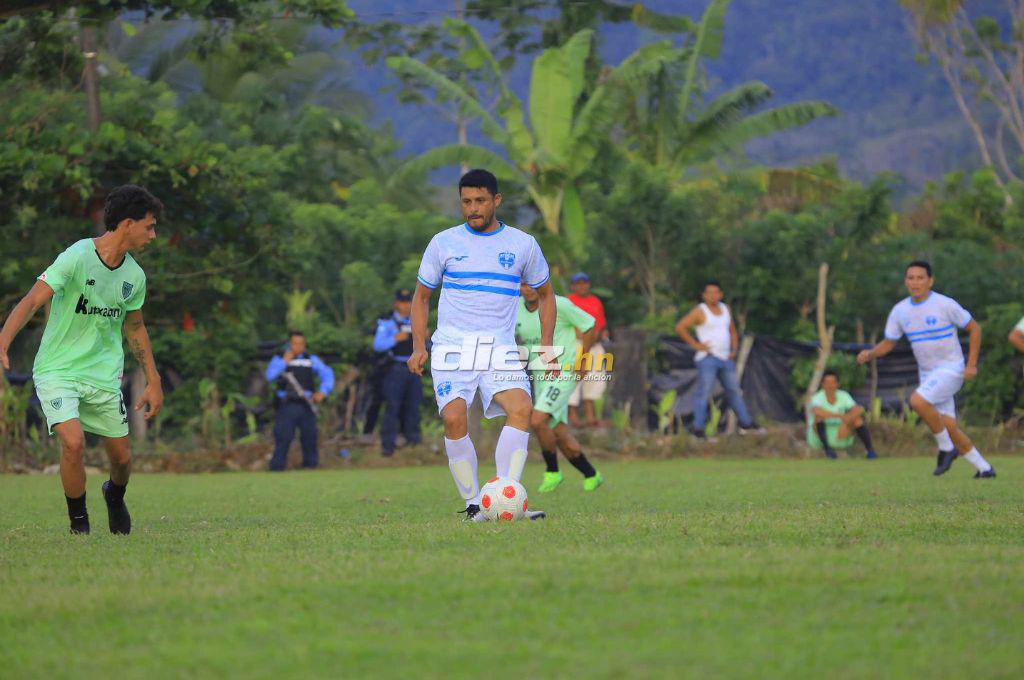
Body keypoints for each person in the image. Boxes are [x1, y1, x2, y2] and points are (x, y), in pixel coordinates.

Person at [0, 185, 164, 535]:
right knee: (73, 443)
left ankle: (114, 496)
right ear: (128, 223)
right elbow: (31, 301)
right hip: (57, 369)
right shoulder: (76, 256)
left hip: (103, 376)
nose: (153, 234)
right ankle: (80, 525)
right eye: (149, 226)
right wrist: (3, 340)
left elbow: (135, 329)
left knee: (121, 460)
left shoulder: (134, 277)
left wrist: (153, 379)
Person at [409, 168, 556, 522]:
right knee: (454, 418)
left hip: (498, 348)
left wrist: (547, 346)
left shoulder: (522, 244)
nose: (473, 208)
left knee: (521, 409)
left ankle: (506, 499)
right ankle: (475, 503)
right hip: (452, 347)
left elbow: (547, 295)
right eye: (466, 202)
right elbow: (421, 298)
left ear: (496, 201)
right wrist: (418, 345)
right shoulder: (443, 243)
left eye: (480, 201)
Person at [857, 260, 995, 478]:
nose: (915, 282)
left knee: (918, 401)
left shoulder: (944, 304)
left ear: (930, 281)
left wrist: (971, 364)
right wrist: (871, 353)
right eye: (911, 278)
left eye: (920, 277)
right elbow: (889, 342)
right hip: (928, 375)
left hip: (952, 369)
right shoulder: (900, 311)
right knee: (948, 426)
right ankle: (984, 468)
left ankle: (946, 449)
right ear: (905, 281)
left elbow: (974, 328)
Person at [516, 281, 603, 493]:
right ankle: (591, 473)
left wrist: (583, 358)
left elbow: (589, 325)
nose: (527, 289)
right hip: (540, 377)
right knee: (557, 430)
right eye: (522, 285)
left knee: (537, 420)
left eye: (531, 284)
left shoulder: (559, 304)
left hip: (564, 374)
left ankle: (553, 471)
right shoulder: (515, 307)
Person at [675, 280, 764, 440]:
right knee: (704, 393)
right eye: (709, 293)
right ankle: (698, 429)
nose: (712, 296)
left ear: (720, 294)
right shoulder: (700, 311)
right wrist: (696, 345)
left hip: (725, 358)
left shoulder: (725, 309)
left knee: (734, 391)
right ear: (703, 296)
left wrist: (734, 349)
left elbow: (732, 331)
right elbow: (680, 327)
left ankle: (746, 423)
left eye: (716, 292)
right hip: (708, 358)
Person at [265, 331, 334, 471]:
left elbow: (327, 374)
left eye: (301, 344)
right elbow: (269, 376)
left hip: (306, 403)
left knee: (310, 435)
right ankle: (277, 467)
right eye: (295, 343)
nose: (298, 346)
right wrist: (284, 362)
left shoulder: (310, 359)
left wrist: (323, 392)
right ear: (289, 345)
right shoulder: (279, 359)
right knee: (283, 436)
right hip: (287, 403)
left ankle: (310, 466)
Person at [372, 288, 421, 456]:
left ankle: (414, 446)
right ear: (396, 303)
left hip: (414, 369)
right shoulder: (387, 323)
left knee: (413, 407)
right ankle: (388, 448)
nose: (406, 306)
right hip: (395, 369)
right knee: (393, 407)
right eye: (403, 302)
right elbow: (378, 345)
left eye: (408, 302)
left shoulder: (415, 321)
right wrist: (394, 338)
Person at [566, 272, 608, 428]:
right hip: (576, 344)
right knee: (574, 379)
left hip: (595, 345)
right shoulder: (569, 301)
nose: (582, 286)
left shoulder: (595, 301)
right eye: (578, 283)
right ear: (573, 286)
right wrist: (586, 338)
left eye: (584, 283)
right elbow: (568, 324)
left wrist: (600, 334)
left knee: (595, 379)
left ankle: (591, 416)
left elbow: (602, 324)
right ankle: (573, 416)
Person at [807, 370, 878, 459]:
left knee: (857, 420)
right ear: (822, 384)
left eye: (833, 382)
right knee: (819, 418)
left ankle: (870, 451)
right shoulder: (817, 397)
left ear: (837, 384)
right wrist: (841, 417)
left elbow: (858, 410)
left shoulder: (844, 395)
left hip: (841, 434)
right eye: (827, 382)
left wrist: (847, 420)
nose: (830, 385)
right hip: (819, 437)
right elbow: (817, 411)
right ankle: (828, 450)